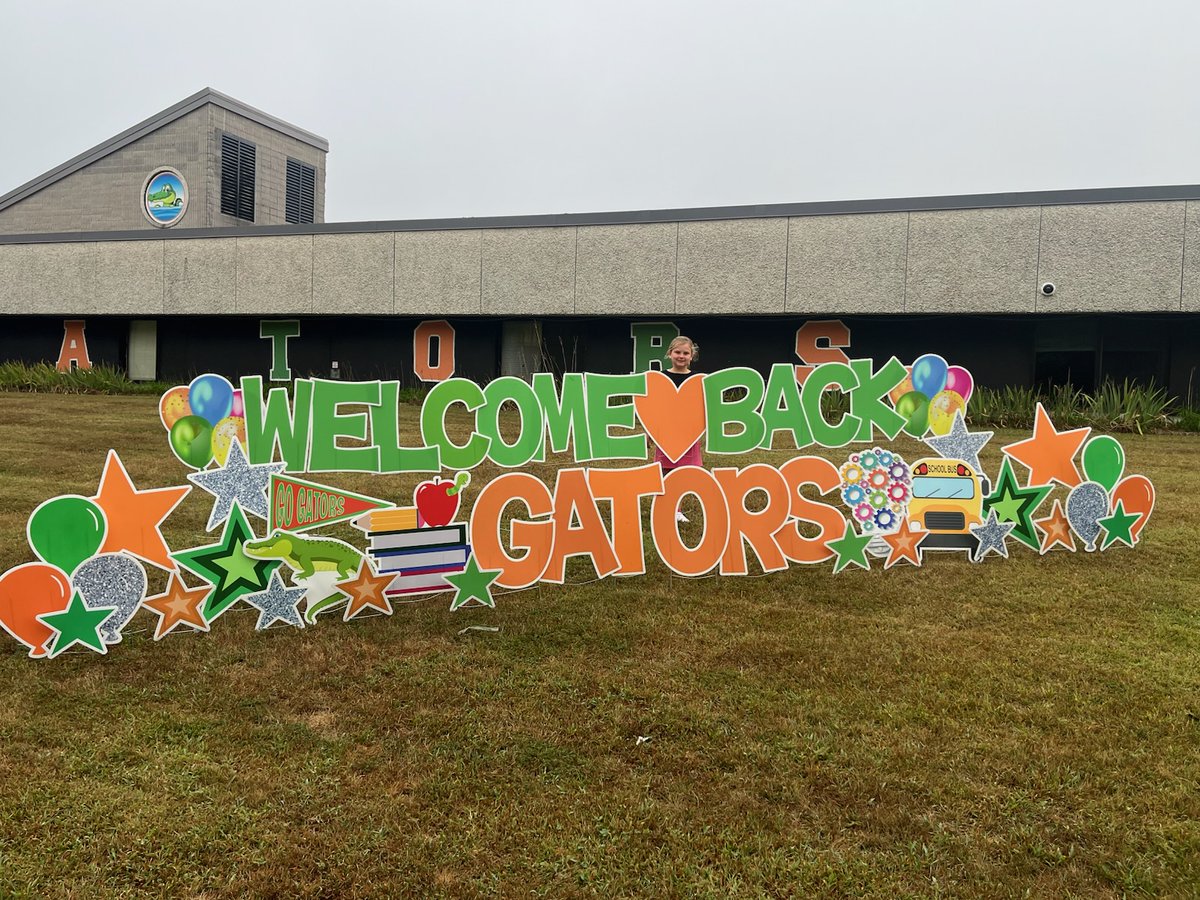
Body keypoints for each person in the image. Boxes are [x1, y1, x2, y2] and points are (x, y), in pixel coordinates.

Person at [653, 335, 703, 522]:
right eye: (677, 352)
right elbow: (653, 406)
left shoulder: (697, 379)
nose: (681, 356)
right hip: (665, 434)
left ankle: (677, 509)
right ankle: (664, 508)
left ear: (692, 356)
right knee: (665, 471)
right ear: (670, 353)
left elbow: (702, 406)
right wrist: (651, 431)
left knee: (683, 473)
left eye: (685, 353)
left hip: (689, 434)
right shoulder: (660, 377)